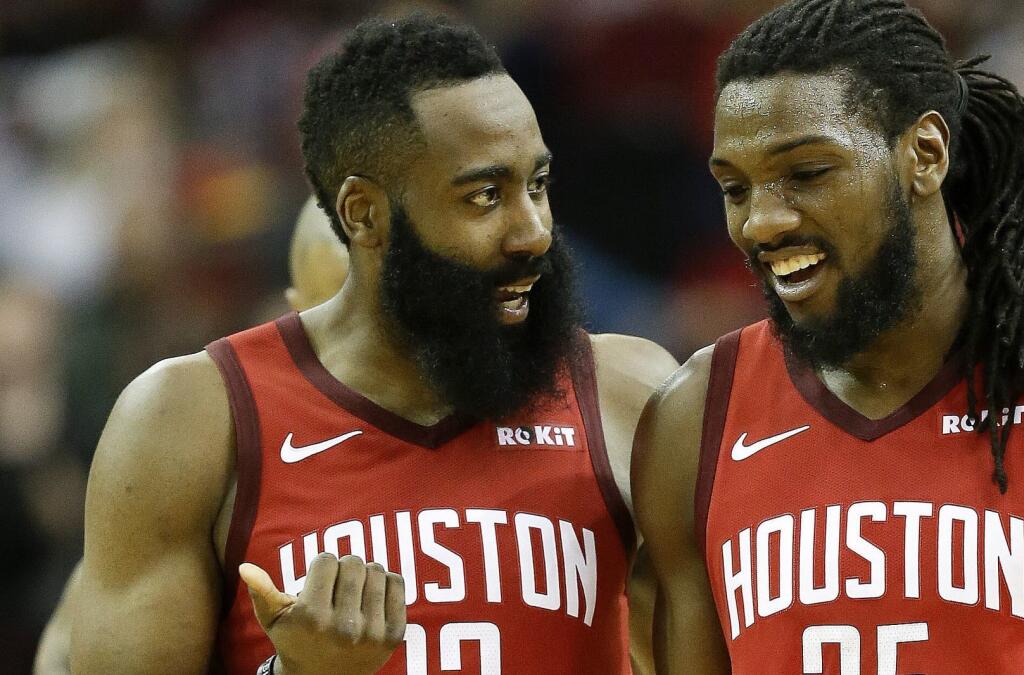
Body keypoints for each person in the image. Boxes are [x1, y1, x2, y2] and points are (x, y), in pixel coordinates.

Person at [71, 15, 676, 674]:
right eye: (484, 196)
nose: (532, 231)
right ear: (364, 212)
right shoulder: (190, 420)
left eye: (537, 185)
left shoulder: (632, 394)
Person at [633, 0, 1024, 673]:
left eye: (808, 173)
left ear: (924, 154)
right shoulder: (695, 419)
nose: (762, 222)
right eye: (735, 188)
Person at [31, 195, 347, 675]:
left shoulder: (497, 428)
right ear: (296, 310)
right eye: (337, 309)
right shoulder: (217, 445)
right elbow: (61, 657)